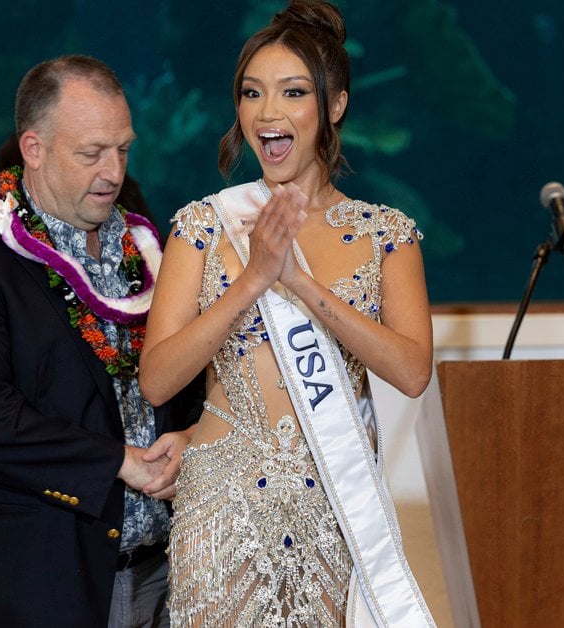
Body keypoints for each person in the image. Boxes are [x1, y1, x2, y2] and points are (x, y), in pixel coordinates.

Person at [138, 1, 437, 625]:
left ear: (334, 106)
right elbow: (158, 378)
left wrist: (299, 284)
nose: (267, 113)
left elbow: (411, 371)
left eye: (292, 93)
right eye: (252, 94)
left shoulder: (385, 234)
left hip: (330, 502)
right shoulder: (204, 225)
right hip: (223, 498)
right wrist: (252, 280)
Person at [0, 54, 202, 627]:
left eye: (123, 149)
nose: (114, 172)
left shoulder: (156, 254)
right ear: (34, 149)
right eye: (91, 153)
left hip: (165, 575)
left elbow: (189, 377)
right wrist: (120, 462)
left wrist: (192, 435)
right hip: (35, 585)